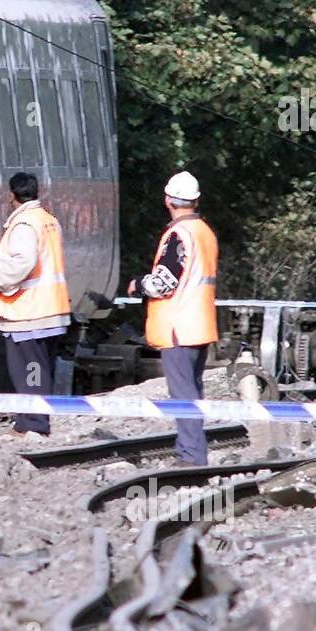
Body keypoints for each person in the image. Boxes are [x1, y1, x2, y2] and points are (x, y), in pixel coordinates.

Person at [127, 171, 219, 466]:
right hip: (200, 325)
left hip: (179, 327)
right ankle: (193, 452)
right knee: (192, 391)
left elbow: (163, 283)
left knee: (183, 395)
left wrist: (138, 284)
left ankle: (191, 456)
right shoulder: (205, 232)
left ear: (168, 200)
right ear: (196, 201)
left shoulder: (180, 235)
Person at [0, 172, 71, 437]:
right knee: (39, 369)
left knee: (30, 371)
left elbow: (23, 261)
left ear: (11, 196)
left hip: (29, 312)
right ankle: (32, 421)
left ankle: (33, 424)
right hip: (49, 309)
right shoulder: (48, 220)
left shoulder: (24, 224)